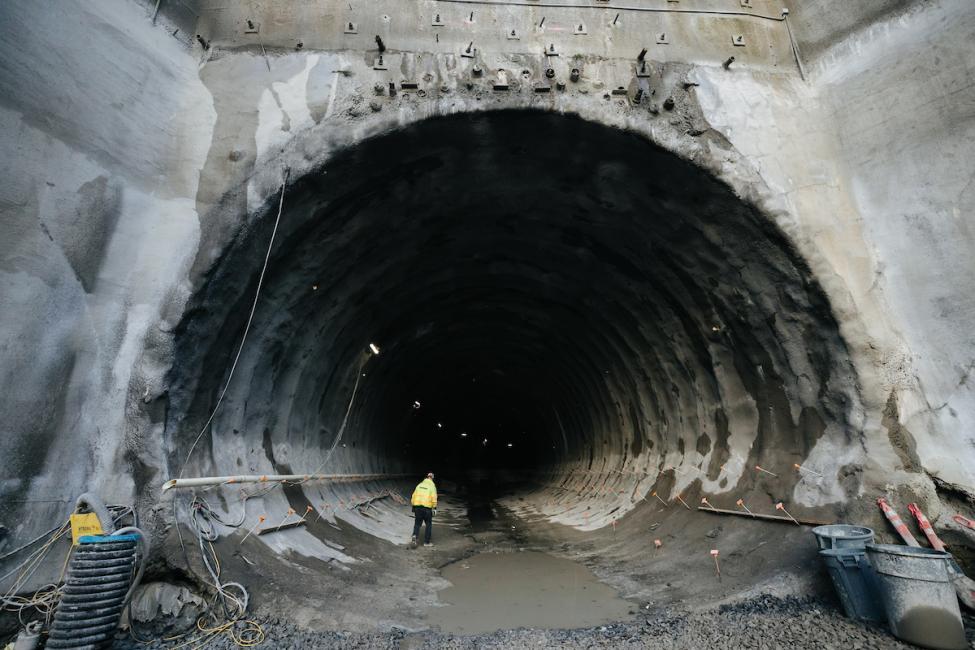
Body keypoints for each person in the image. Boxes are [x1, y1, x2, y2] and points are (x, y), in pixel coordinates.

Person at [410, 472, 437, 548]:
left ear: (426, 477)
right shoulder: (432, 486)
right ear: (432, 478)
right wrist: (434, 508)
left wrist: (413, 505)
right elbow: (434, 498)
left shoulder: (419, 485)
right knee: (428, 524)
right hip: (427, 509)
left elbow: (413, 496)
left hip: (417, 507)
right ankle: (426, 542)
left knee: (417, 524)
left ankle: (415, 537)